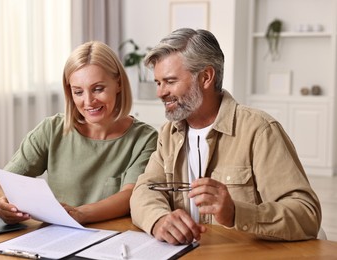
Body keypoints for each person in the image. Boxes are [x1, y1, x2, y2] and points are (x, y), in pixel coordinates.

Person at [130, 28, 321, 245]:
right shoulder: (169, 133)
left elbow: (307, 215)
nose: (160, 93)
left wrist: (236, 213)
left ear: (206, 77)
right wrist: (159, 219)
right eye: (158, 82)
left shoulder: (259, 130)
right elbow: (143, 190)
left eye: (170, 81)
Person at [0, 41, 158, 225]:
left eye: (98, 89)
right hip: (58, 236)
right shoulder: (51, 130)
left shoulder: (145, 139)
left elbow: (128, 197)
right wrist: (2, 205)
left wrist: (79, 214)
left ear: (118, 84)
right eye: (78, 92)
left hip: (115, 238)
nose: (88, 101)